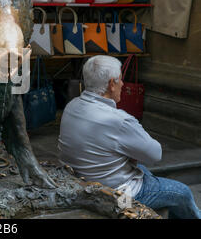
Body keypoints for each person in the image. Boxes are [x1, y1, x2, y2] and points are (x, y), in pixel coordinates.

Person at [58, 55, 201, 219]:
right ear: (112, 84)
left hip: (81, 184)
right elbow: (155, 154)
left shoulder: (72, 106)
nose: (123, 84)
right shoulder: (119, 120)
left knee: (144, 170)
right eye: (120, 80)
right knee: (181, 192)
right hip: (116, 197)